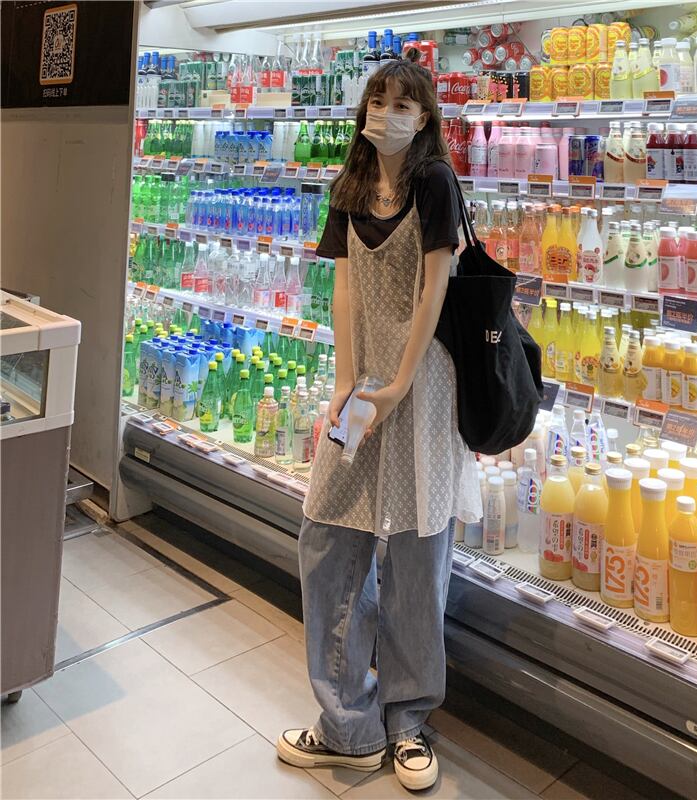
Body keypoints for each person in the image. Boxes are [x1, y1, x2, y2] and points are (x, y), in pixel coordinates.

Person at [276, 51, 481, 791]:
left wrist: (399, 383)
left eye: (402, 103)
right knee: (329, 535)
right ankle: (348, 724)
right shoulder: (353, 183)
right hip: (362, 386)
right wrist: (347, 379)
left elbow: (435, 290)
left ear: (424, 118)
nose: (386, 114)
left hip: (422, 385)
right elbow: (343, 289)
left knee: (419, 554)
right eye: (377, 101)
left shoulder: (435, 181)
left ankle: (408, 722)